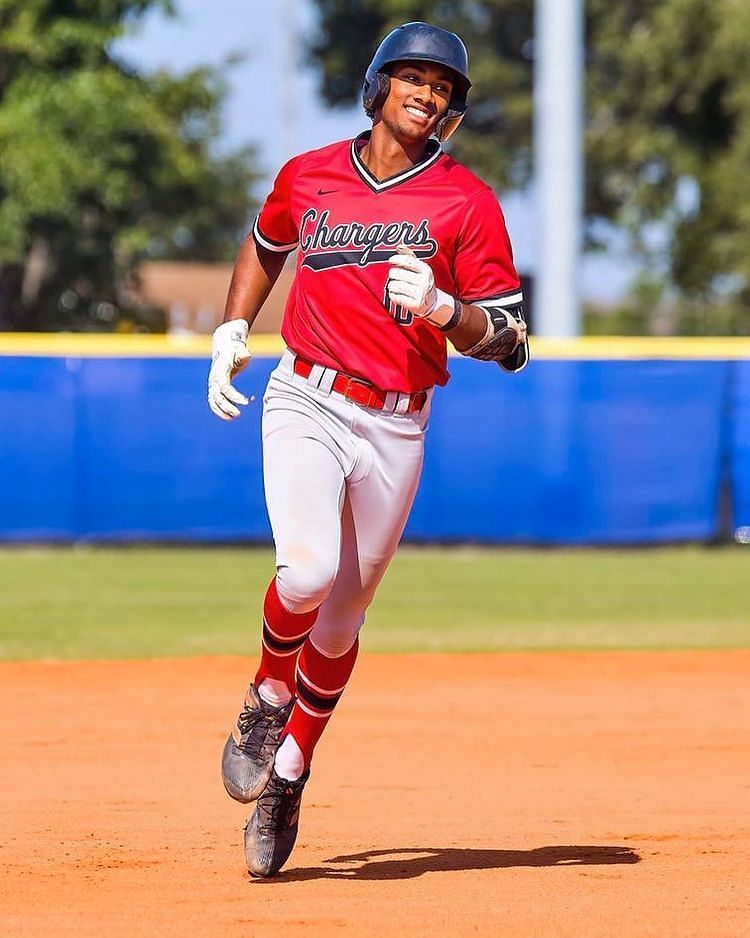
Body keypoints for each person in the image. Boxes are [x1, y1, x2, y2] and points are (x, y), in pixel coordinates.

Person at [207, 21, 529, 878]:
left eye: (444, 87)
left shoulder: (467, 202)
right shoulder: (310, 173)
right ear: (380, 84)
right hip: (306, 392)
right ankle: (267, 695)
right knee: (305, 573)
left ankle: (289, 772)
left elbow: (510, 338)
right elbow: (269, 238)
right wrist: (234, 322)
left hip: (398, 421)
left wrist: (442, 309)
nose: (429, 95)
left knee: (343, 619)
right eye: (415, 78)